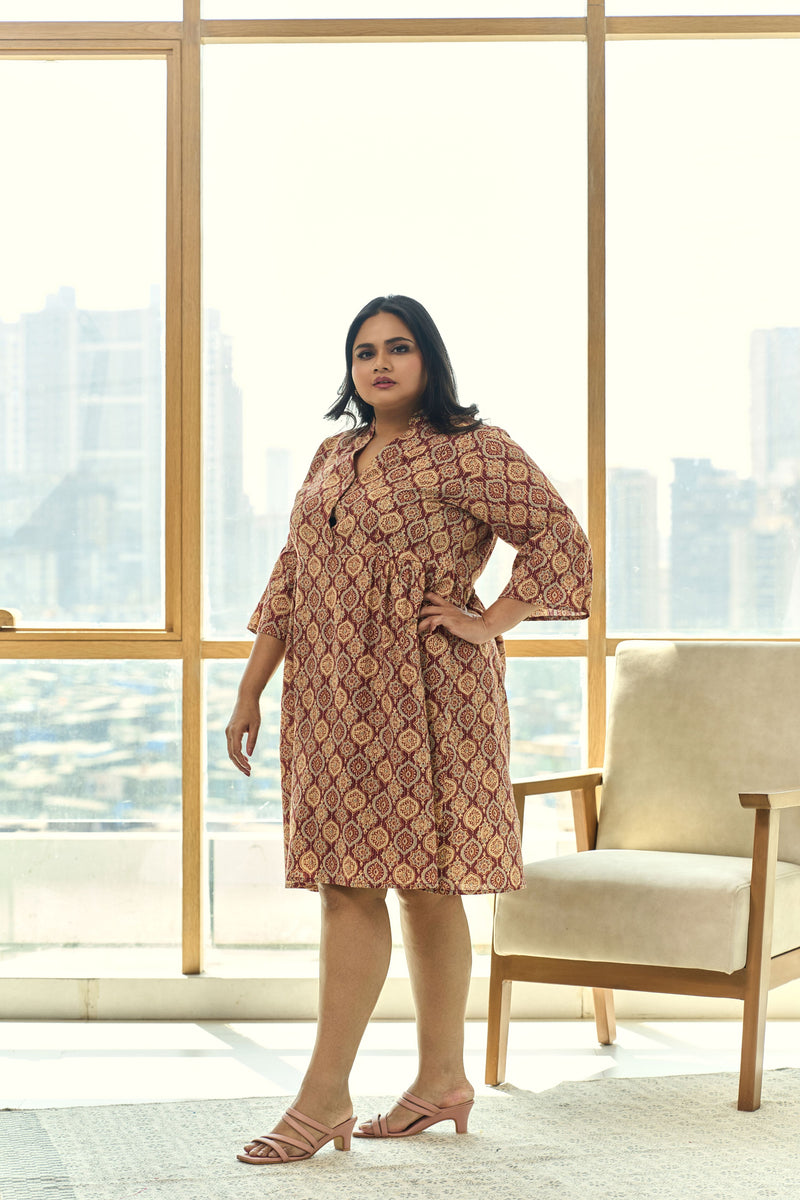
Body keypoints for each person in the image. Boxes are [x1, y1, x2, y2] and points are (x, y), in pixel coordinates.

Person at [226, 295, 592, 1165]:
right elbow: (291, 576)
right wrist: (249, 688)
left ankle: (335, 1097)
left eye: (398, 347)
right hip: (330, 694)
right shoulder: (333, 454)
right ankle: (437, 1083)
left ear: (429, 358)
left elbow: (560, 539)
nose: (380, 364)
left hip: (429, 691)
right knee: (358, 882)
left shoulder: (474, 448)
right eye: (364, 352)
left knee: (414, 884)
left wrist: (491, 620)